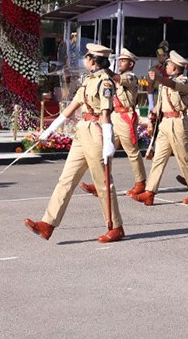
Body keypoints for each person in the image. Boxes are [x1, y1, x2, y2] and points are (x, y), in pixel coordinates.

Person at [23, 43, 125, 243]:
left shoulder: (105, 82)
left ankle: (116, 227)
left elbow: (105, 113)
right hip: (83, 131)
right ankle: (48, 224)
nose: (84, 60)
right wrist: (49, 130)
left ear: (92, 60)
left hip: (97, 132)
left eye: (86, 57)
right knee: (66, 179)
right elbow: (72, 106)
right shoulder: (89, 80)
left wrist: (108, 141)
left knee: (103, 184)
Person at [133, 50, 188, 206]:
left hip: (178, 123)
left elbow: (173, 85)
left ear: (176, 67)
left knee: (184, 159)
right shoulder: (166, 81)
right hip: (165, 122)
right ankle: (150, 192)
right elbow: (160, 104)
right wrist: (151, 117)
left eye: (169, 64)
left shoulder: (184, 81)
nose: (167, 66)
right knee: (158, 159)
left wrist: (159, 78)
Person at [80, 47, 147, 198]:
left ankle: (140, 182)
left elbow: (118, 79)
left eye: (123, 61)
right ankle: (103, 183)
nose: (120, 63)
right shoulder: (113, 77)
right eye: (119, 61)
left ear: (130, 64)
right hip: (114, 116)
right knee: (107, 152)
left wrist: (105, 70)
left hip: (125, 116)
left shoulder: (131, 77)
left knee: (132, 152)